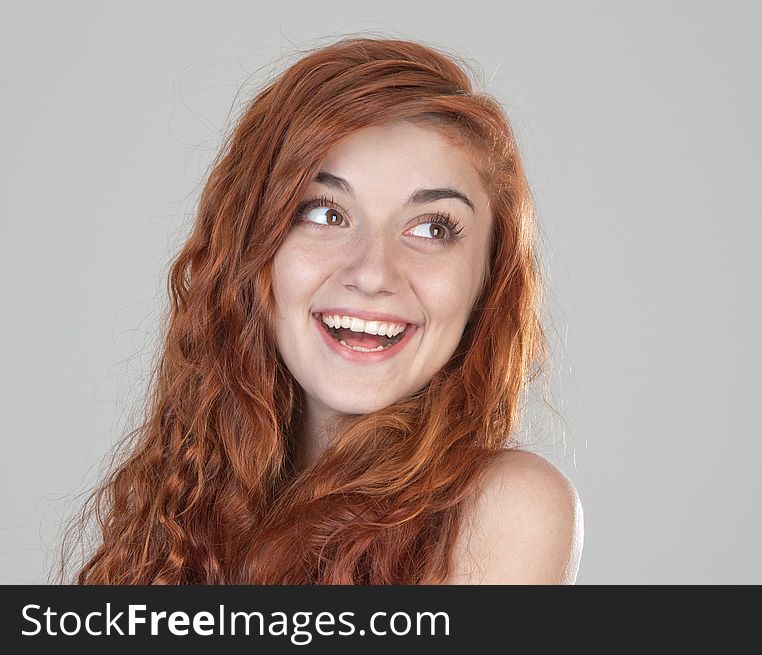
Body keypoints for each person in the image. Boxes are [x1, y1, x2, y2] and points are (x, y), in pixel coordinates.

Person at [64, 36, 583, 584]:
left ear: (487, 281)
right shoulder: (183, 509)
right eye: (325, 213)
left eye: (432, 228)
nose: (373, 272)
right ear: (252, 249)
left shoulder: (509, 506)